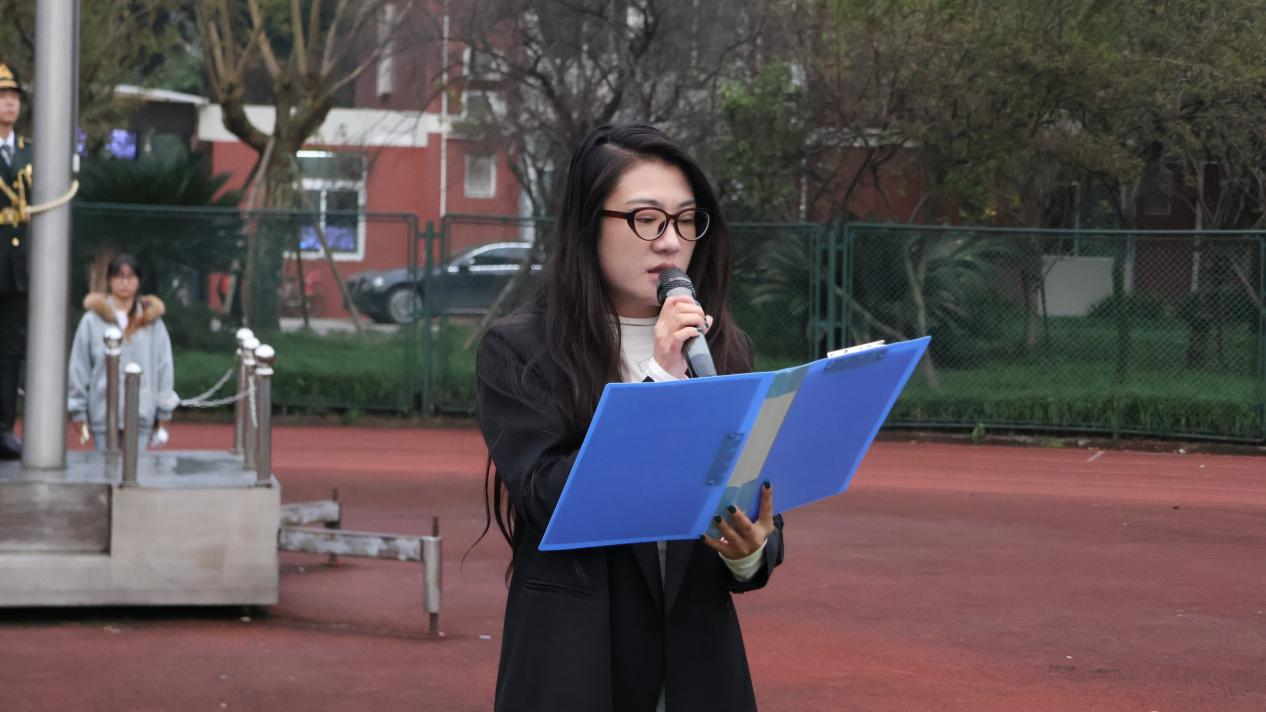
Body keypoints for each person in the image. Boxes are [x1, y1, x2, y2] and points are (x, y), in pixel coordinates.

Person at [475, 124, 784, 712]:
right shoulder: (520, 350)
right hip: (577, 666)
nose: (670, 243)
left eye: (686, 221)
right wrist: (660, 380)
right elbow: (549, 497)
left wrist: (748, 550)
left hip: (697, 671)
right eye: (646, 219)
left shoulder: (722, 347)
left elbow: (751, 498)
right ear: (588, 225)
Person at [68, 254, 176, 450]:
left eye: (130, 276)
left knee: (138, 467)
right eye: (119, 276)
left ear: (138, 281)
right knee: (104, 467)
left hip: (142, 411)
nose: (124, 282)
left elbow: (164, 366)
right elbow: (80, 365)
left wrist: (164, 410)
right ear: (109, 280)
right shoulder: (92, 320)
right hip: (102, 411)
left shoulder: (152, 322)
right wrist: (78, 409)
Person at [0, 62, 31, 459]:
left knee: (10, 352)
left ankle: (4, 428)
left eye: (13, 97)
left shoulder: (29, 151)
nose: (9, 103)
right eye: (3, 97)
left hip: (18, 269)